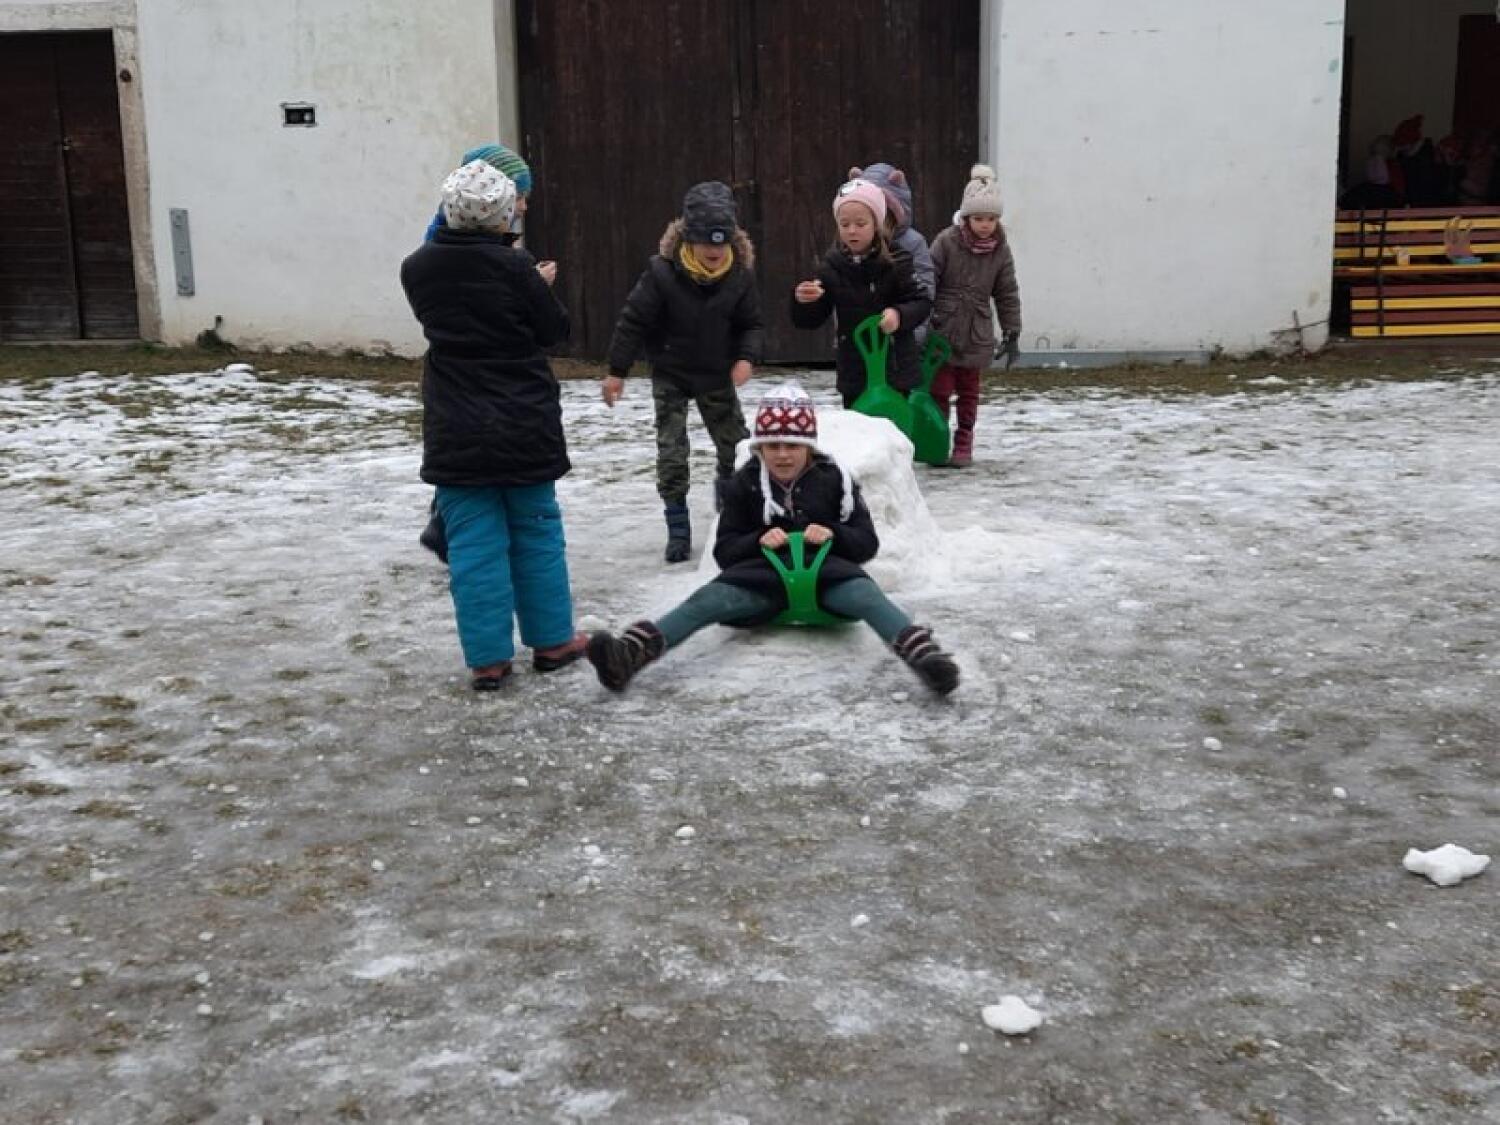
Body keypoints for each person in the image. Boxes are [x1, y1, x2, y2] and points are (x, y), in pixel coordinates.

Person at [585, 383, 960, 696]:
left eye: (792, 445)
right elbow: (726, 551)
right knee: (706, 600)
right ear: (759, 448)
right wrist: (759, 540)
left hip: (828, 579)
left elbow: (867, 543)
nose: (782, 455)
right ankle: (628, 655)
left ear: (809, 447)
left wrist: (834, 534)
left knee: (868, 596)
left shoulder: (836, 481)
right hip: (760, 582)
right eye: (772, 446)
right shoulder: (744, 484)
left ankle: (925, 658)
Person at [399, 160, 587, 690]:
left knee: (472, 545)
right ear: (504, 216)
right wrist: (537, 285)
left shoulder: (416, 268)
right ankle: (552, 641)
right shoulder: (515, 266)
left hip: (454, 422)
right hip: (524, 420)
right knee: (536, 533)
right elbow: (553, 330)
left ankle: (487, 660)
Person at [603, 182, 764, 564]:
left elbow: (752, 324)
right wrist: (616, 371)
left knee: (735, 446)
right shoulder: (661, 273)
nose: (714, 251)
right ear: (689, 239)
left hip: (716, 374)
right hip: (671, 374)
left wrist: (746, 358)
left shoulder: (739, 276)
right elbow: (633, 321)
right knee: (672, 453)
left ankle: (729, 505)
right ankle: (677, 526)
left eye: (721, 243)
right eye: (706, 242)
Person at [418, 142, 539, 562]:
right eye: (520, 195)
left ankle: (448, 526)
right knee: (471, 453)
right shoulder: (459, 244)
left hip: (460, 373)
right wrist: (531, 286)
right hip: (473, 371)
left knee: (464, 450)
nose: (524, 206)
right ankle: (448, 528)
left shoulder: (447, 237)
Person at [791, 178, 931, 408]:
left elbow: (921, 302)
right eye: (844, 224)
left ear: (877, 223)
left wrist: (898, 315)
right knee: (857, 426)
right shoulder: (832, 267)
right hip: (854, 371)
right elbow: (810, 320)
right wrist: (803, 301)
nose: (852, 230)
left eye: (860, 223)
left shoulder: (897, 261)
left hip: (894, 368)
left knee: (894, 424)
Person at [926, 163, 1023, 467]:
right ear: (966, 217)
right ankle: (937, 438)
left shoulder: (1001, 251)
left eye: (991, 219)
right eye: (979, 218)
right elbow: (928, 279)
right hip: (943, 328)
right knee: (939, 389)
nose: (985, 225)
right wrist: (922, 316)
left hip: (976, 331)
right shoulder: (946, 242)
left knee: (969, 392)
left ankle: (964, 440)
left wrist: (1011, 330)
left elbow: (1006, 292)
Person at [849, 161, 935, 299]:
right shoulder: (852, 239)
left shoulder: (913, 242)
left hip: (902, 309)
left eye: (881, 210)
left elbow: (925, 285)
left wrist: (904, 310)